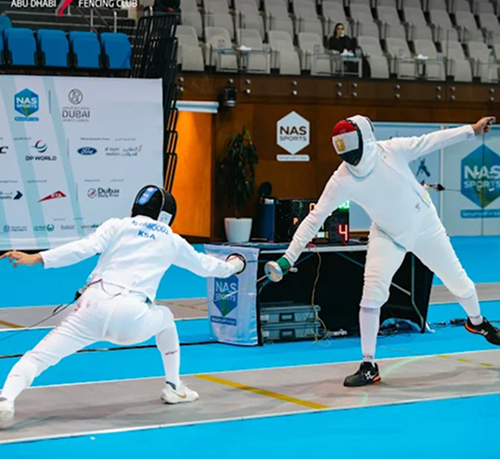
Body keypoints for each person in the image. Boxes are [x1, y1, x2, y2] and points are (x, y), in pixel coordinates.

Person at [269, 115, 500, 387]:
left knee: (460, 283)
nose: (352, 160)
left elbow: (433, 140)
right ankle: (369, 365)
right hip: (387, 235)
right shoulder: (342, 178)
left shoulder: (393, 149)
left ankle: (477, 322)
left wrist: (471, 130)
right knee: (371, 296)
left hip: (425, 227)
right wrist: (288, 258)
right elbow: (314, 219)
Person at [0, 185, 245, 422]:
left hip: (91, 309)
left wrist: (38, 257)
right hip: (132, 319)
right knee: (166, 317)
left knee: (37, 357)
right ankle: (174, 386)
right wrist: (236, 264)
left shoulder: (117, 225)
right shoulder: (172, 240)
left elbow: (83, 248)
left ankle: (5, 400)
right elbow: (208, 267)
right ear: (167, 216)